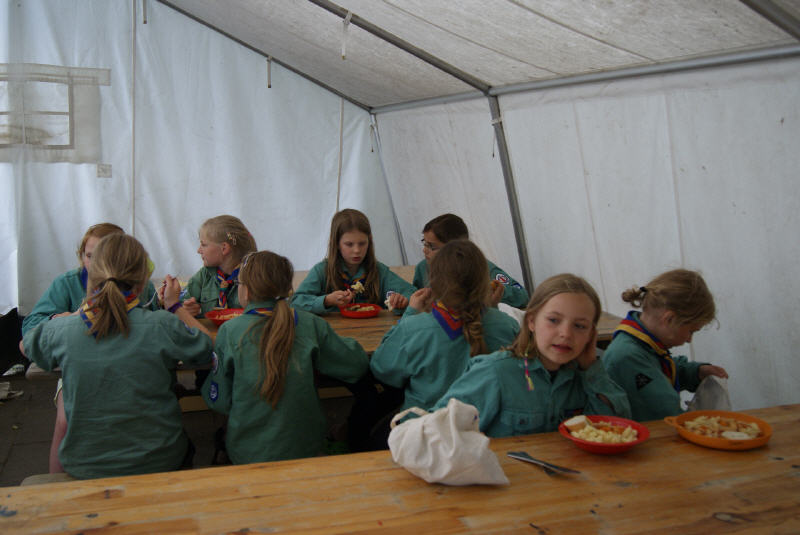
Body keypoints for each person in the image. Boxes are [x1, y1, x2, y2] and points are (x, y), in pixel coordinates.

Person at [20, 234, 213, 479]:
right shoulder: (162, 325)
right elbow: (206, 347)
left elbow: (26, 345)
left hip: (85, 464)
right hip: (159, 459)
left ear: (90, 276)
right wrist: (174, 306)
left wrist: (68, 319)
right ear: (142, 283)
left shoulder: (63, 331)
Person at [201, 250, 369, 463]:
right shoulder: (310, 323)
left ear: (247, 291)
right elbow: (355, 365)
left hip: (248, 452)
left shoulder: (230, 331)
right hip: (305, 447)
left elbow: (219, 400)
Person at [20, 222, 159, 474]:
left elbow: (154, 316)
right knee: (65, 420)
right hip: (79, 369)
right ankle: (55, 485)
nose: (94, 263)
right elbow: (30, 326)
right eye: (89, 255)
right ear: (81, 255)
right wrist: (56, 319)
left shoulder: (143, 285)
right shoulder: (67, 283)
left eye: (103, 255)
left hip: (129, 365)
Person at [430, 273, 631, 438]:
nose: (566, 334)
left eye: (580, 326)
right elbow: (433, 430)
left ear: (591, 335)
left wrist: (591, 368)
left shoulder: (586, 378)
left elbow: (615, 430)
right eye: (553, 320)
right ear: (532, 321)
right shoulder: (495, 373)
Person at [371, 240, 519, 413]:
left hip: (427, 424)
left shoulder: (413, 328)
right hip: (487, 423)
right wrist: (492, 309)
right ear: (484, 281)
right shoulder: (508, 325)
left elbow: (382, 369)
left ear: (433, 282)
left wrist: (410, 313)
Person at [602, 269, 728, 421]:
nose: (689, 340)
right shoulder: (628, 357)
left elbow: (658, 371)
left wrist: (696, 372)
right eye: (691, 331)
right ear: (669, 319)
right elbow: (667, 414)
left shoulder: (641, 344)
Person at [291, 208, 415, 314]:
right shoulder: (322, 271)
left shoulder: (379, 271)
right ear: (336, 243)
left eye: (362, 243)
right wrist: (326, 301)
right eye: (349, 244)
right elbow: (295, 302)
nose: (356, 250)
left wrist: (402, 301)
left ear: (370, 241)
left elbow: (414, 295)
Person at [412, 213, 529, 308]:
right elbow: (415, 298)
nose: (424, 250)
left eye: (431, 246)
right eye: (424, 243)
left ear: (455, 248)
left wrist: (486, 290)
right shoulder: (423, 268)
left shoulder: (483, 268)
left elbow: (522, 296)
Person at [181, 215, 256, 318]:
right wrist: (187, 308)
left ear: (224, 248)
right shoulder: (205, 275)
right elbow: (182, 301)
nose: (198, 250)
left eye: (203, 244)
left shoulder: (254, 277)